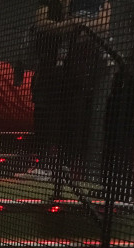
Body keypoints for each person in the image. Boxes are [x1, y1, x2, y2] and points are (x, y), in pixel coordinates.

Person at [28, 0, 111, 192]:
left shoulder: (99, 3)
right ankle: (43, 165)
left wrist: (76, 24)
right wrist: (71, 25)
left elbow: (103, 25)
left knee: (73, 115)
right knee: (46, 115)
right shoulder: (53, 4)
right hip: (52, 71)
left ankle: (64, 166)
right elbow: (42, 22)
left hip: (80, 71)